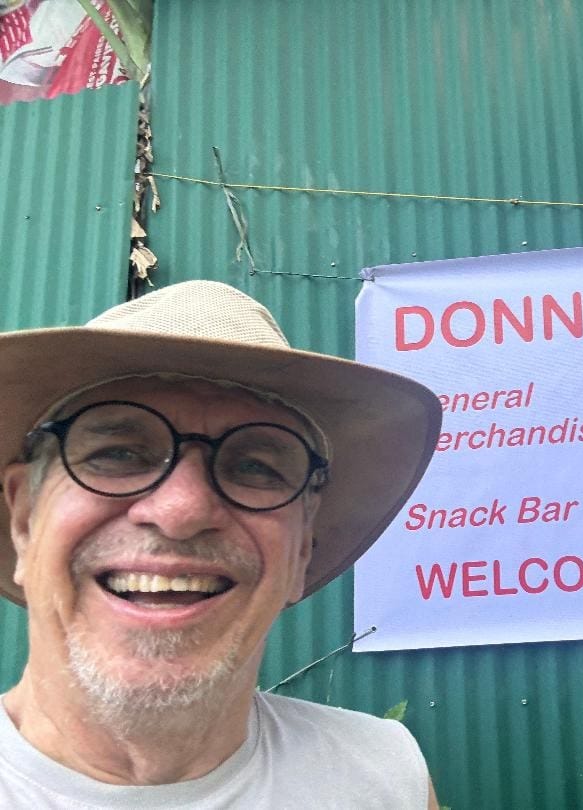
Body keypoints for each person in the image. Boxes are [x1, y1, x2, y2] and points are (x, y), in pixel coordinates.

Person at [0, 280, 443, 807]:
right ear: (23, 518)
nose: (181, 512)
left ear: (302, 551)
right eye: (119, 454)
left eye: (255, 466)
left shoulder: (384, 778)